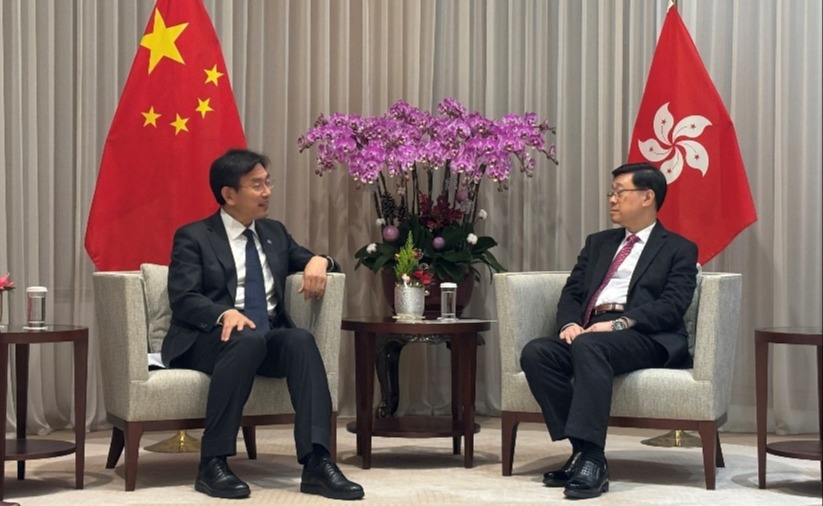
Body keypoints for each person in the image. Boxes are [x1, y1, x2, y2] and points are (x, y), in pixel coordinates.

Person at [161, 148, 364, 501]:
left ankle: (317, 462)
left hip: (263, 337)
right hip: (208, 339)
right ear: (229, 194)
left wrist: (321, 260)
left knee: (300, 340)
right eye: (257, 185)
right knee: (246, 338)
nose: (267, 192)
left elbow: (311, 260)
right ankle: (212, 463)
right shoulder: (194, 237)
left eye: (268, 183)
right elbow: (184, 297)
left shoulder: (273, 233)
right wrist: (224, 313)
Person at [519, 162, 698, 499]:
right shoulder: (598, 243)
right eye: (611, 193)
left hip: (644, 335)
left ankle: (592, 460)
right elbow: (572, 292)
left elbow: (673, 305)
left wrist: (619, 323)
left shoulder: (678, 248)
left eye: (620, 192)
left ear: (647, 197)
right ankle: (584, 452)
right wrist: (570, 323)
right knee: (537, 353)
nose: (612, 200)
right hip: (591, 331)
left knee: (591, 347)